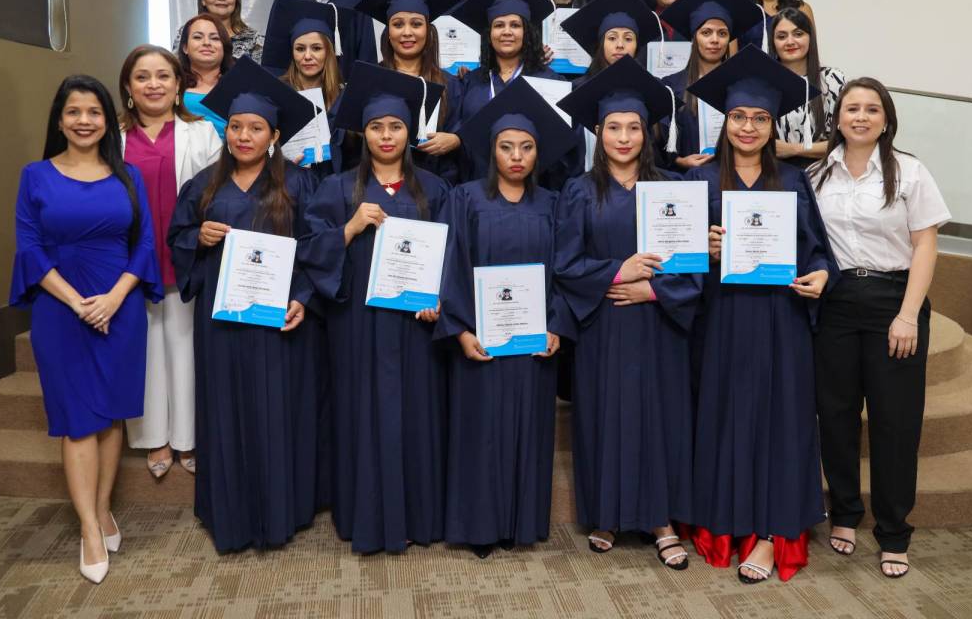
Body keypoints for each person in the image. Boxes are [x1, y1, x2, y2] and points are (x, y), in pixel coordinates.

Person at [684, 46, 838, 583]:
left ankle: (773, 535)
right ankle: (725, 524)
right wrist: (703, 251)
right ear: (724, 121)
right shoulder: (699, 183)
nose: (748, 127)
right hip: (722, 320)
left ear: (774, 125)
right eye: (739, 117)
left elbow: (817, 252)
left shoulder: (793, 182)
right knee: (724, 417)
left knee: (782, 422)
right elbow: (674, 262)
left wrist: (819, 275)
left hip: (779, 321)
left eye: (760, 118)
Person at [166, 58, 324, 553]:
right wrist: (199, 235)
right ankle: (228, 512)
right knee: (226, 408)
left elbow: (316, 247)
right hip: (223, 320)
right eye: (235, 126)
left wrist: (302, 297)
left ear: (273, 135)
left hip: (277, 322)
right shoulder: (202, 186)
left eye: (255, 128)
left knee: (278, 411)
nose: (243, 136)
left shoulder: (297, 184)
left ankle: (282, 512)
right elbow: (177, 239)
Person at [10, 76, 161, 584]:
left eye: (94, 112)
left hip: (120, 306)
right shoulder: (35, 176)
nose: (83, 121)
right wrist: (77, 302)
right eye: (73, 112)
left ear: (107, 120)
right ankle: (89, 530)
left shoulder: (128, 176)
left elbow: (143, 246)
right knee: (78, 419)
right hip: (61, 309)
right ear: (59, 120)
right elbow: (29, 248)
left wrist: (115, 298)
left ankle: (102, 510)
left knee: (112, 416)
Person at [552, 56, 702, 569]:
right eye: (613, 127)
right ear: (598, 132)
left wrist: (655, 291)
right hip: (605, 321)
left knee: (659, 417)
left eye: (633, 127)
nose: (623, 137)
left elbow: (691, 266)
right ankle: (607, 514)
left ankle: (662, 521)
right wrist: (620, 272)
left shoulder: (675, 191)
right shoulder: (578, 191)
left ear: (648, 132)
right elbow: (566, 262)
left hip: (659, 322)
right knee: (603, 415)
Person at [300, 62, 450, 554]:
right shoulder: (337, 189)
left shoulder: (436, 189)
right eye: (376, 127)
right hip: (357, 326)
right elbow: (309, 252)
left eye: (396, 126)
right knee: (361, 415)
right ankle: (364, 514)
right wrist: (349, 227)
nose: (386, 136)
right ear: (362, 133)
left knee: (415, 416)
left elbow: (455, 256)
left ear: (411, 131)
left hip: (415, 327)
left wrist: (438, 302)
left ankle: (416, 515)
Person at [810, 77, 950, 579]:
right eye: (852, 108)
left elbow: (925, 246)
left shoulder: (909, 173)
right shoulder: (817, 175)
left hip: (895, 299)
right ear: (838, 118)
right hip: (837, 302)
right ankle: (845, 512)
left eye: (872, 109)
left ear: (886, 119)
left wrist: (908, 314)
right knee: (837, 413)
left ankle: (893, 531)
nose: (861, 117)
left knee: (895, 422)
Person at [437, 80, 578, 558]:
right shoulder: (465, 199)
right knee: (480, 431)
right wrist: (461, 330)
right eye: (506, 146)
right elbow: (452, 264)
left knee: (528, 431)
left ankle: (521, 522)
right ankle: (481, 526)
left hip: (533, 343)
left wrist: (557, 324)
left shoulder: (555, 205)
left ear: (538, 153)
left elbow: (566, 272)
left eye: (526, 147)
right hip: (482, 340)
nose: (516, 156)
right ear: (490, 151)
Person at [116, 45, 222, 479]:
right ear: (128, 87)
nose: (154, 84)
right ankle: (153, 438)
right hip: (129, 261)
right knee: (144, 348)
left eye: (163, 76)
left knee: (184, 344)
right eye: (143, 77)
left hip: (185, 255)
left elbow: (220, 191)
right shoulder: (113, 139)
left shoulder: (202, 134)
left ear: (179, 84)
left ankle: (187, 438)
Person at [446, 0, 563, 184]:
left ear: (527, 33)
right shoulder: (471, 82)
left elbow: (563, 148)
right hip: (479, 190)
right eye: (499, 25)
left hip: (535, 192)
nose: (507, 32)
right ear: (489, 35)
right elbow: (459, 139)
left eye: (515, 25)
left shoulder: (550, 82)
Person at [354, 0, 460, 180]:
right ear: (388, 32)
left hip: (434, 185)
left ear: (428, 32)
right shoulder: (368, 79)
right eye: (398, 24)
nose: (407, 32)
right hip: (376, 185)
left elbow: (463, 128)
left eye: (416, 24)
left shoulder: (450, 84)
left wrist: (455, 140)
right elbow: (341, 137)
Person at [659, 0, 764, 172]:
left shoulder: (743, 87)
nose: (715, 40)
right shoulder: (671, 87)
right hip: (689, 181)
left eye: (722, 33)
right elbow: (659, 148)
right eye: (706, 32)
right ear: (694, 37)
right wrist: (679, 161)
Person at [560, 0, 670, 171]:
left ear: (637, 46)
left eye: (628, 38)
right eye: (612, 38)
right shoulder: (576, 90)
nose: (620, 45)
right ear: (601, 44)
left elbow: (661, 153)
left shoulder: (653, 90)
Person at [263, 0, 350, 177]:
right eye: (300, 48)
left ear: (329, 52)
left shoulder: (344, 96)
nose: (307, 56)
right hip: (286, 182)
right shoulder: (277, 93)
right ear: (292, 52)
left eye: (316, 48)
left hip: (333, 184)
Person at [769, 7, 844, 168]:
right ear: (773, 43)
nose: (790, 42)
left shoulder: (831, 80)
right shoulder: (765, 83)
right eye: (781, 36)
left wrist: (794, 149)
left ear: (810, 38)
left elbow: (842, 141)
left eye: (798, 34)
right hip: (775, 173)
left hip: (824, 173)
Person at [172, 0, 264, 62]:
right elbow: (175, 70)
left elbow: (262, 76)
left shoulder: (254, 39)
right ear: (203, 0)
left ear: (236, 0)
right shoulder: (186, 32)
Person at [177, 13, 235, 138]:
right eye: (198, 37)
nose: (207, 43)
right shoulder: (173, 86)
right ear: (185, 48)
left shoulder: (240, 87)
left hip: (230, 155)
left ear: (224, 47)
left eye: (215, 38)